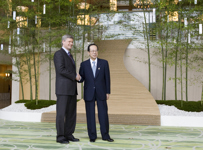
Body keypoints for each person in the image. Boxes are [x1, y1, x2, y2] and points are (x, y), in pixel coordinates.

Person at [79, 44, 114, 142]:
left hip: (101, 92)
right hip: (89, 92)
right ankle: (92, 136)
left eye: (96, 50)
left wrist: (107, 91)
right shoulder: (84, 64)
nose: (94, 52)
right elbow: (82, 78)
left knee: (103, 114)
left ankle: (105, 135)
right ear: (88, 52)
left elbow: (107, 78)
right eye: (92, 51)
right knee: (90, 115)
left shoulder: (104, 63)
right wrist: (78, 78)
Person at [54, 34, 80, 144]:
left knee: (71, 114)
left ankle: (69, 134)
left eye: (72, 42)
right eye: (69, 41)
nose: (71, 43)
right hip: (63, 90)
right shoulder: (59, 54)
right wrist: (74, 76)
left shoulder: (70, 55)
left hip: (71, 89)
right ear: (63, 41)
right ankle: (60, 137)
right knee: (61, 114)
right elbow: (61, 70)